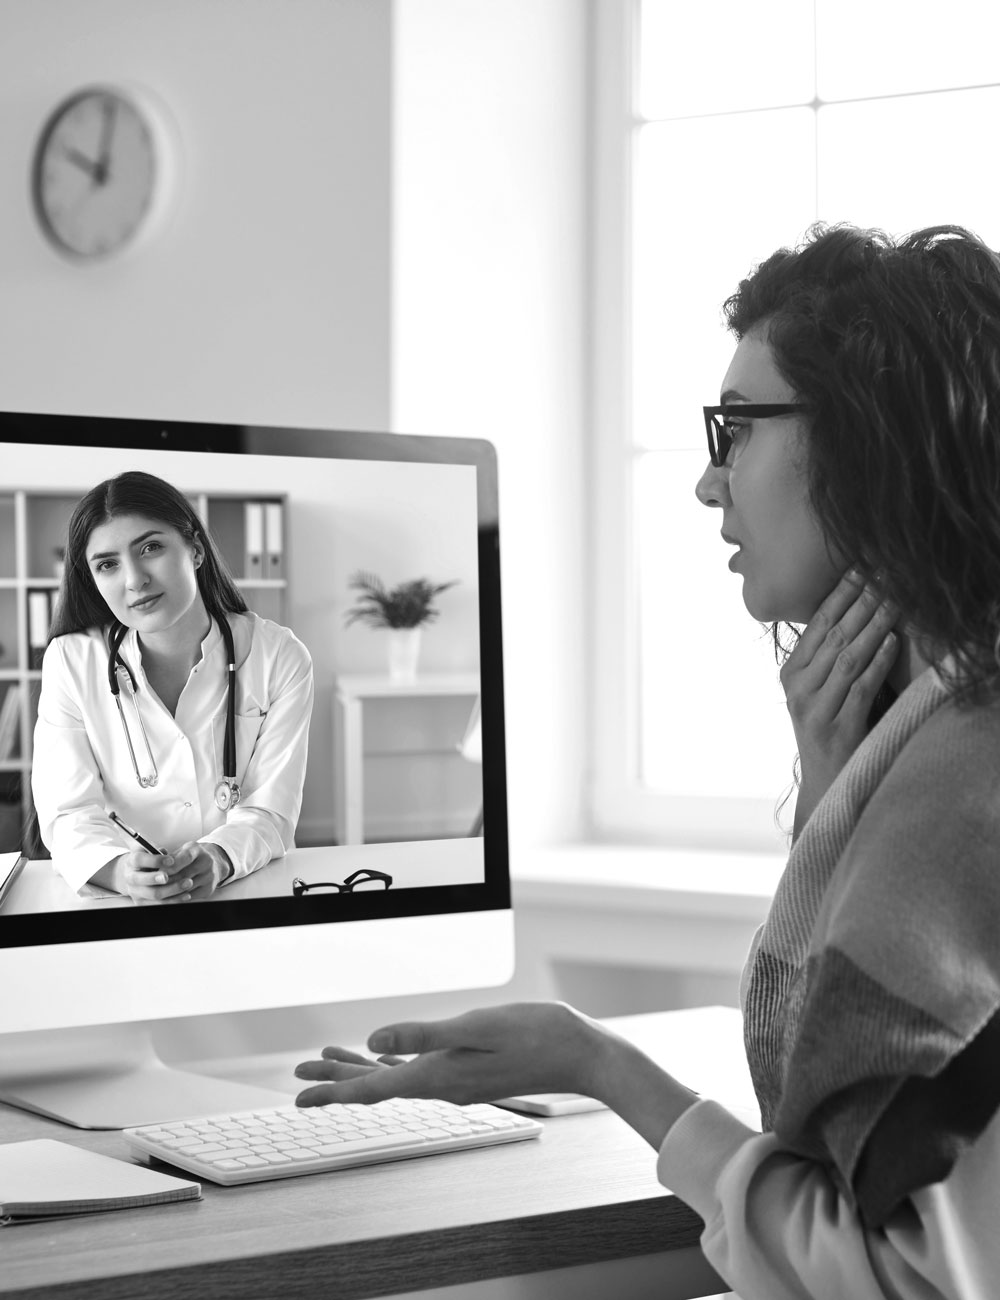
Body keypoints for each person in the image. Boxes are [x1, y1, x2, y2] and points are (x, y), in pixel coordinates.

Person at [293, 224, 1000, 1298]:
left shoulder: (953, 794)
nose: (709, 485)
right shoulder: (937, 744)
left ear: (867, 438)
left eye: (736, 428)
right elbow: (832, 1147)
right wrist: (827, 798)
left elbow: (884, 1274)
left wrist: (599, 1064)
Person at [32, 470, 314, 904]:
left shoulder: (280, 656)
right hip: (122, 903)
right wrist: (119, 872)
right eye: (108, 564)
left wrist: (219, 857)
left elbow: (270, 810)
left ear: (196, 550)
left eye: (151, 548)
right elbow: (69, 812)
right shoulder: (71, 661)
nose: (134, 579)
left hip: (245, 893)